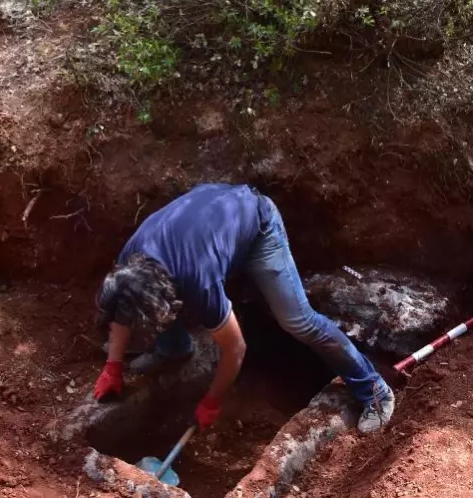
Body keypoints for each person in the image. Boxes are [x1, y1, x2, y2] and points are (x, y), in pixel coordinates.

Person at [93, 183, 394, 435]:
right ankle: (174, 349)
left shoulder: (198, 279)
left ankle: (374, 390)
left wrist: (212, 401)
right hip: (210, 221)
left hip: (259, 228)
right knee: (149, 308)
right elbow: (124, 309)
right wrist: (113, 366)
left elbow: (236, 349)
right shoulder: (129, 264)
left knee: (299, 322)